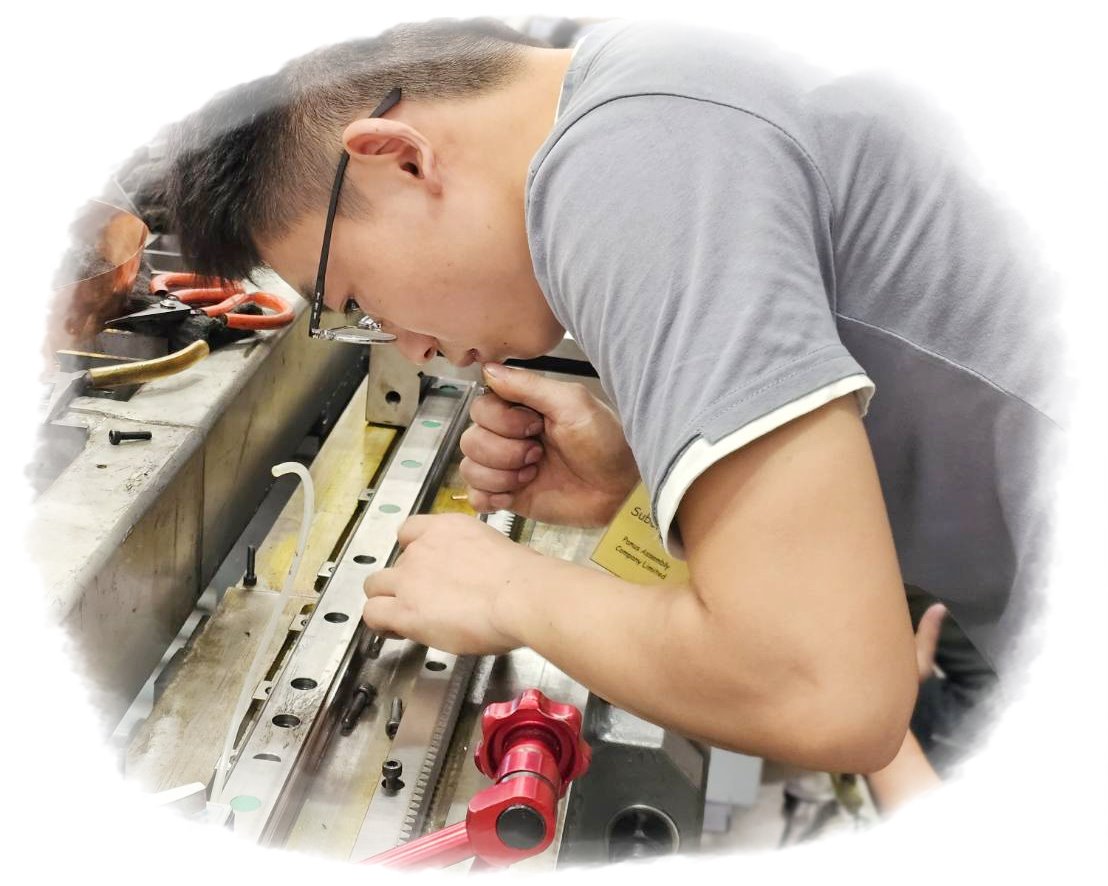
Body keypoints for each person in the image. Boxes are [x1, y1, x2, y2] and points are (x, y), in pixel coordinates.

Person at [162, 18, 1063, 776]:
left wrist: (510, 589)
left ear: (398, 158)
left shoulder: (626, 163)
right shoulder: (648, 77)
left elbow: (831, 692)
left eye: (354, 299)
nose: (410, 347)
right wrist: (649, 483)